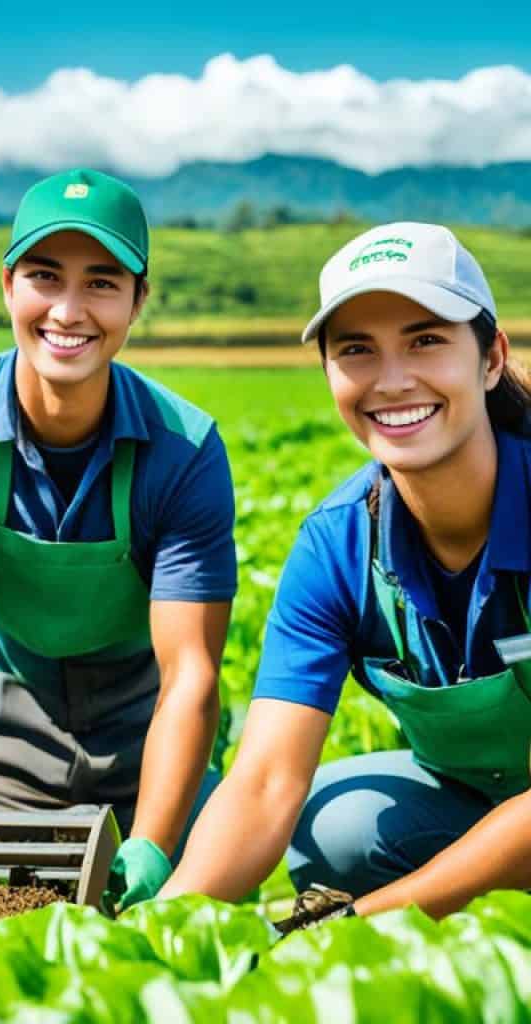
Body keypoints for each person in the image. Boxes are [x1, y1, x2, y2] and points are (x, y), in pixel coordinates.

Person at [0, 169, 236, 912]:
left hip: (151, 738)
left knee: (180, 944)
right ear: (7, 286)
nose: (68, 310)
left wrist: (156, 843)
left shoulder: (183, 451)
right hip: (14, 736)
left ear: (137, 301)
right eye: (43, 276)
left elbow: (190, 673)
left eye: (101, 282)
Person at [160, 222, 531, 923]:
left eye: (425, 341)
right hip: (481, 805)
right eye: (357, 350)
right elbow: (267, 779)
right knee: (337, 823)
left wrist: (355, 922)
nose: (391, 381)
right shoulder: (338, 546)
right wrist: (167, 925)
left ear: (490, 359)